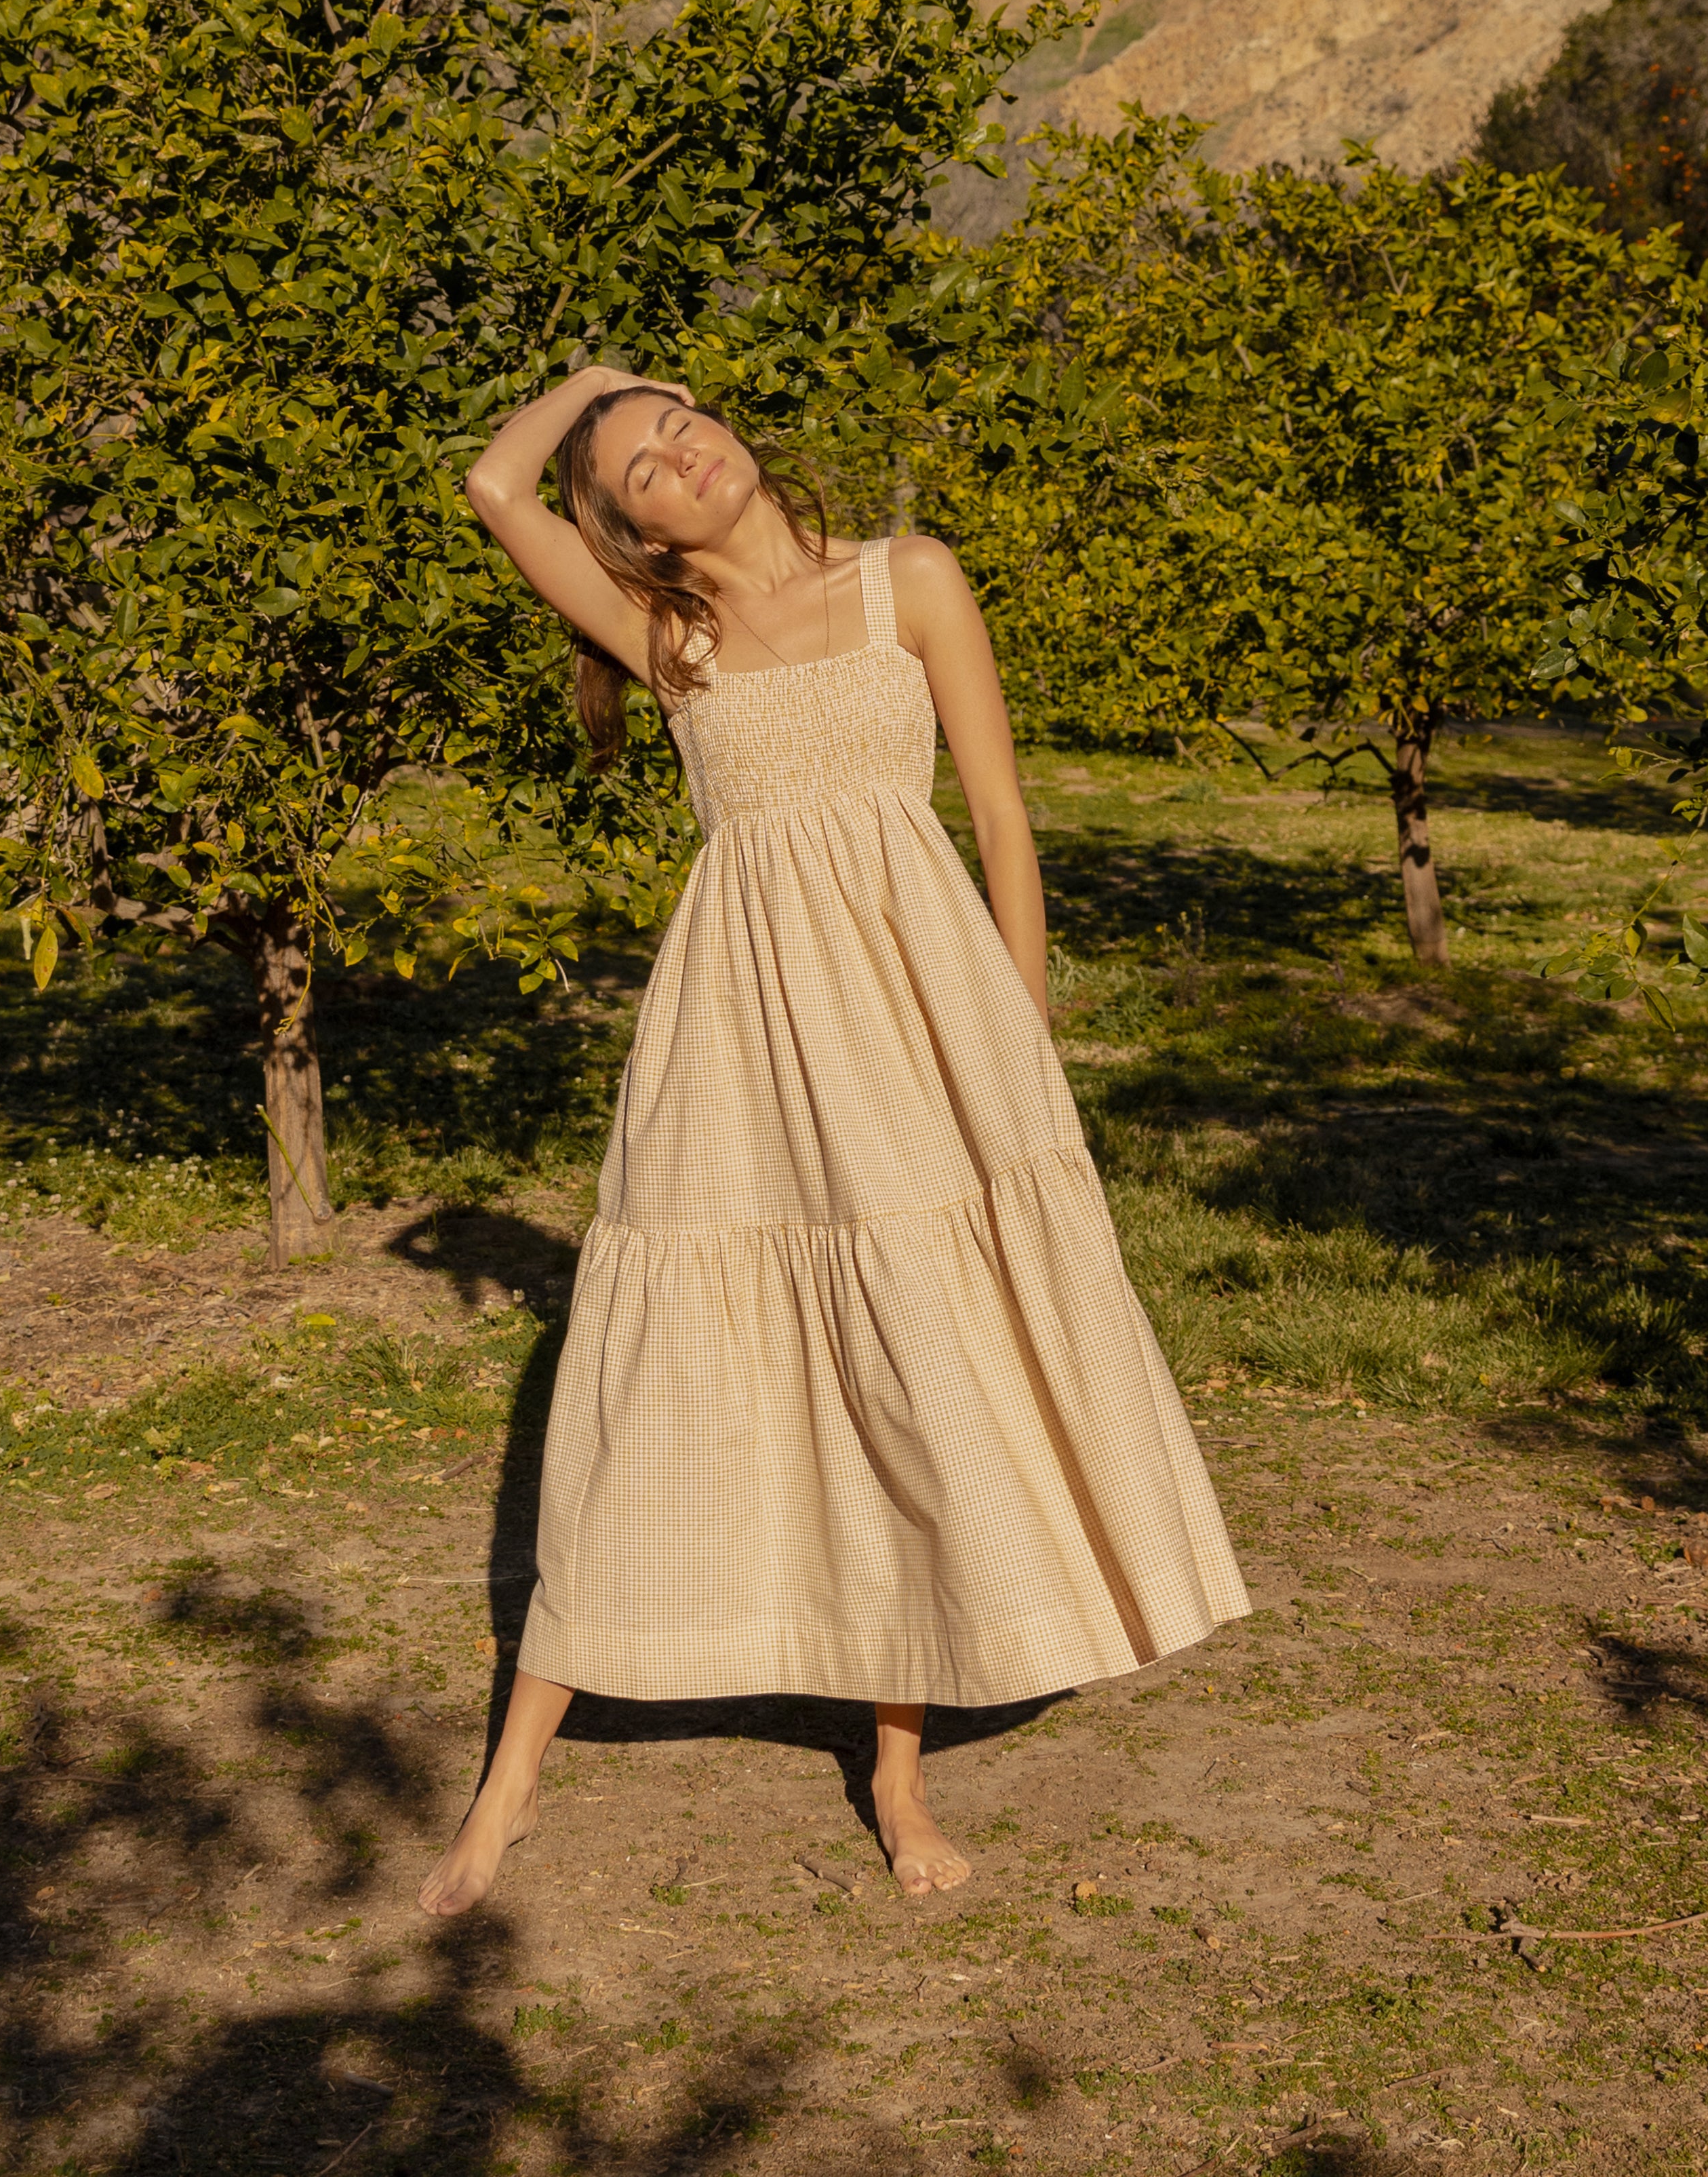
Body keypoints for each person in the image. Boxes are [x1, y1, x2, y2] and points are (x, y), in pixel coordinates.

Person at [419, 363, 1248, 1914]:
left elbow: (1001, 824)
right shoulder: (671, 639)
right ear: (631, 533)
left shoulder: (909, 579)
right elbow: (493, 492)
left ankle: (895, 1770)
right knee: (652, 1361)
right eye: (641, 467)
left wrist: (1017, 1043)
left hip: (922, 1018)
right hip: (734, 1040)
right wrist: (593, 380)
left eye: (681, 422)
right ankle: (514, 1777)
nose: (680, 453)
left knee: (912, 1361)